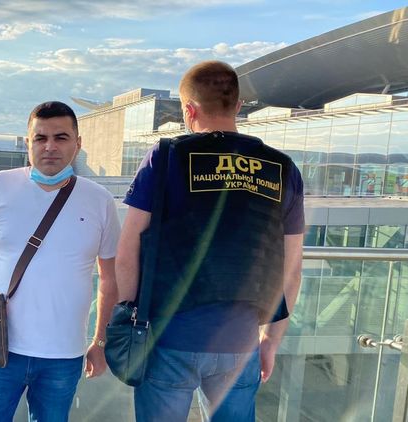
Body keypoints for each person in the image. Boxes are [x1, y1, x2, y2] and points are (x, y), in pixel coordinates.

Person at [116, 61, 304, 421]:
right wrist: (271, 339)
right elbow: (291, 270)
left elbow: (128, 251)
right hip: (241, 341)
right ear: (238, 106)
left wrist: (128, 319)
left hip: (168, 338)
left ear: (189, 110)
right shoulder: (282, 168)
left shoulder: (166, 156)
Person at [0, 101, 120, 422]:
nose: (50, 146)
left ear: (78, 143)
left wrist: (101, 340)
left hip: (64, 354)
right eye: (41, 138)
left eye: (61, 137)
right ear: (28, 143)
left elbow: (110, 278)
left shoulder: (99, 200)